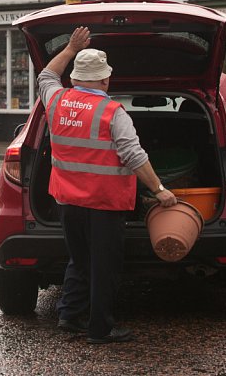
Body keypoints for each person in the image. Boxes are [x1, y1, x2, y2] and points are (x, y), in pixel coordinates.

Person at [39, 26, 177, 344]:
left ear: (75, 78)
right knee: (104, 266)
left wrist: (71, 47)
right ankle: (100, 329)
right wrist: (159, 190)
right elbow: (133, 156)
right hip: (104, 205)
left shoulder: (56, 100)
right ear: (104, 80)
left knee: (80, 258)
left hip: (67, 203)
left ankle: (69, 314)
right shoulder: (112, 113)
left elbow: (46, 75)